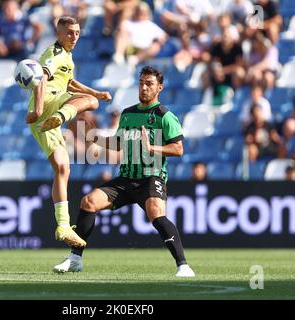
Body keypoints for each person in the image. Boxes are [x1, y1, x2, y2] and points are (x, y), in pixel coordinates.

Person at [52, 66, 196, 277]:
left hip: (151, 177)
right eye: (141, 83)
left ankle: (183, 265)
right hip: (126, 178)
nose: (144, 88)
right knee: (88, 202)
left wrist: (152, 148)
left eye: (149, 84)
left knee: (156, 212)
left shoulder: (165, 116)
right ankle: (75, 258)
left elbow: (178, 149)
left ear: (159, 88)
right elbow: (118, 144)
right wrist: (94, 138)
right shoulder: (128, 114)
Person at [25, 16, 112, 247]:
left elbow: (70, 82)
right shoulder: (53, 52)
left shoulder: (67, 57)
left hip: (42, 118)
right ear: (59, 34)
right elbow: (41, 78)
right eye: (70, 32)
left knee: (63, 168)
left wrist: (98, 92)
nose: (74, 36)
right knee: (90, 104)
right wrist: (40, 108)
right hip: (47, 104)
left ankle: (63, 226)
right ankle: (61, 117)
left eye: (77, 32)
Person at [112, 2, 168, 66]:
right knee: (122, 35)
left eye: (144, 12)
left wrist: (159, 40)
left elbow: (163, 36)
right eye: (139, 11)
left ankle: (135, 59)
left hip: (144, 50)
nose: (141, 13)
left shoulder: (151, 25)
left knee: (156, 46)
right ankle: (119, 56)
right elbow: (121, 31)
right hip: (129, 47)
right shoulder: (127, 23)